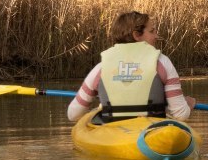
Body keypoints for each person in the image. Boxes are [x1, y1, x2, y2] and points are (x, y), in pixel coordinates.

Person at [67, 11, 195, 123]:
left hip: (113, 135)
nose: (156, 36)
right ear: (136, 35)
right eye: (152, 31)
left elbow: (73, 114)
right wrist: (188, 104)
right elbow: (181, 115)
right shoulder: (162, 62)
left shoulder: (101, 67)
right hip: (152, 135)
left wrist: (99, 108)